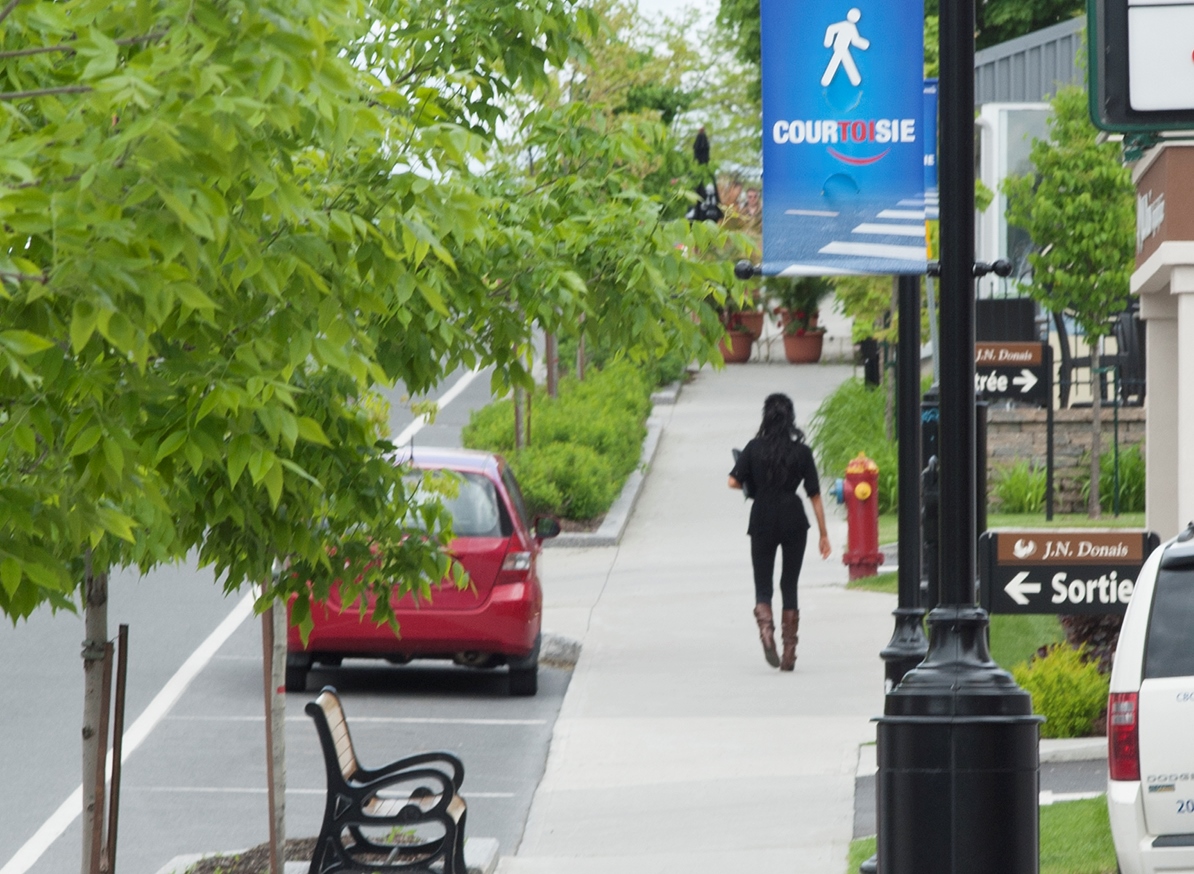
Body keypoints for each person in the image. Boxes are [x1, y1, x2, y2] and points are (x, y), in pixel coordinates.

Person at [728, 393, 831, 670]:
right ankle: (789, 653)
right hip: (794, 518)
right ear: (791, 419)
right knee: (789, 583)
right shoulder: (802, 452)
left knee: (763, 584)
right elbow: (815, 495)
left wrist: (753, 484)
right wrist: (823, 534)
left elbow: (732, 481)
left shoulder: (753, 448)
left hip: (761, 515)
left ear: (766, 417)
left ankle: (766, 631)